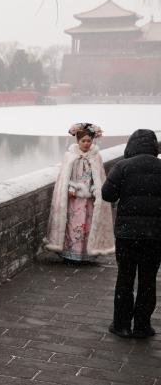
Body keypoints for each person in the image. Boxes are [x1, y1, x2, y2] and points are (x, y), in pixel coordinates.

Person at [102, 129, 161, 339]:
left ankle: (122, 325)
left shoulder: (123, 166)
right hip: (154, 236)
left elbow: (107, 194)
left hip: (127, 235)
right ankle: (142, 326)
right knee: (147, 280)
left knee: (125, 279)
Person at [44, 123, 114, 263]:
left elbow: (99, 177)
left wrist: (95, 189)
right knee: (72, 225)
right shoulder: (70, 156)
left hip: (89, 200)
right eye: (83, 141)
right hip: (73, 199)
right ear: (77, 141)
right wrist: (70, 188)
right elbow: (65, 177)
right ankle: (70, 254)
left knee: (87, 226)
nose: (86, 144)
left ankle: (86, 255)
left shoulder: (96, 157)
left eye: (89, 141)